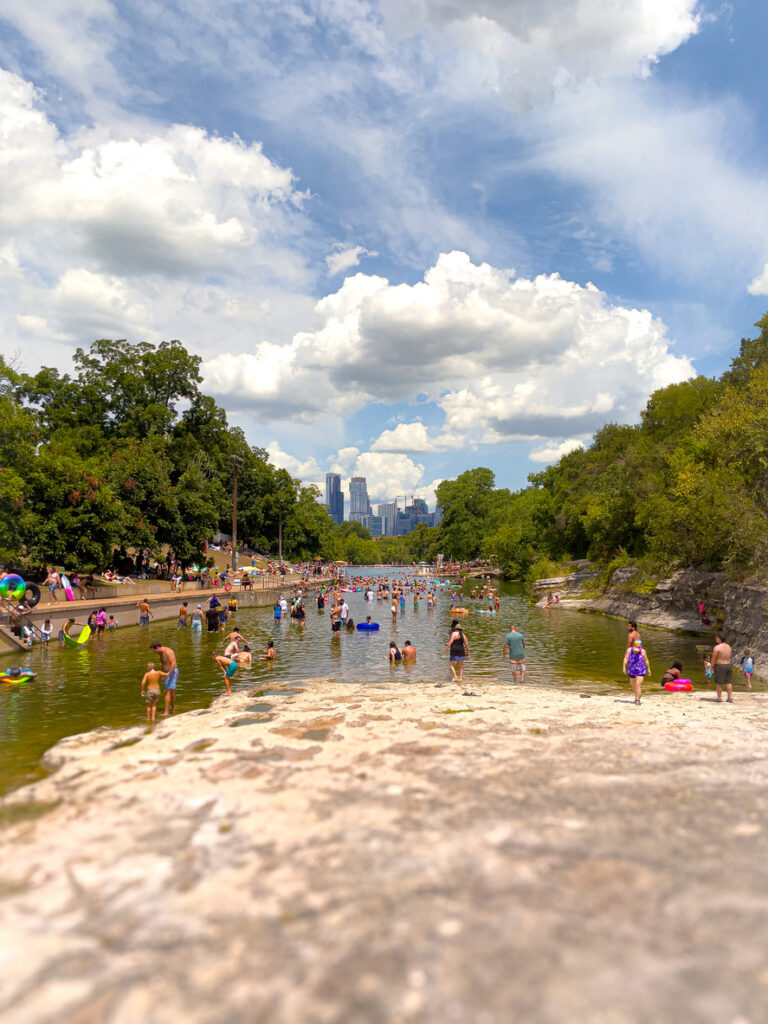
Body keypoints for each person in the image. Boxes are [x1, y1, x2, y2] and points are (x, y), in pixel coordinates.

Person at [149, 642, 178, 717]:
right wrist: (162, 675)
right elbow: (164, 664)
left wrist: (167, 675)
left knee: (167, 691)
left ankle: (166, 712)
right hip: (167, 672)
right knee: (171, 691)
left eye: (154, 650)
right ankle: (173, 710)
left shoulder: (168, 651)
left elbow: (173, 664)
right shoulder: (160, 653)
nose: (154, 652)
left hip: (172, 672)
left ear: (158, 648)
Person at [622, 638, 650, 705]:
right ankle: (636, 695)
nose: (636, 651)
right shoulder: (629, 650)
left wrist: (648, 669)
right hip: (631, 670)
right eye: (635, 650)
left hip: (640, 670)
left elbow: (646, 660)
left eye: (638, 650)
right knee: (632, 685)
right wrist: (623, 667)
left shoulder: (643, 652)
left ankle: (638, 699)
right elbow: (626, 658)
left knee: (638, 684)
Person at [712, 633, 733, 702]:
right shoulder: (729, 646)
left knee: (719, 682)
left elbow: (714, 658)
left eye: (716, 638)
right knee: (728, 682)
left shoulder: (717, 647)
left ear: (719, 638)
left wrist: (712, 667)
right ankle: (730, 698)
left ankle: (719, 698)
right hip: (728, 665)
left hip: (720, 666)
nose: (716, 639)